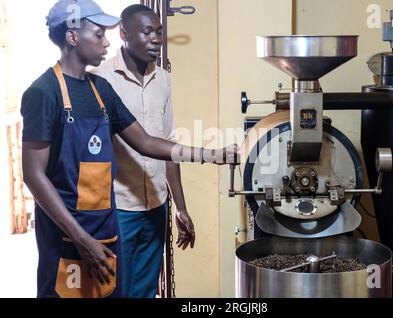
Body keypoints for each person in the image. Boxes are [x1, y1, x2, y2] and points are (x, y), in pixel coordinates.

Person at [21, 0, 236, 298]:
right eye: (98, 35)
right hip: (66, 232)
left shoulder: (100, 90)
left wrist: (211, 155)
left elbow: (147, 142)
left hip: (103, 225)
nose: (105, 41)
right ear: (73, 37)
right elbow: (33, 176)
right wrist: (81, 238)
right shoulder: (43, 93)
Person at [91, 4, 194, 298]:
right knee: (116, 289)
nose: (156, 40)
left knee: (146, 290)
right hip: (119, 207)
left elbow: (167, 143)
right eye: (147, 32)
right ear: (124, 33)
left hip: (156, 207)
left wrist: (180, 207)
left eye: (159, 33)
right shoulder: (101, 79)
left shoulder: (163, 79)